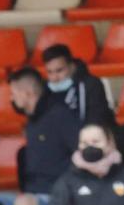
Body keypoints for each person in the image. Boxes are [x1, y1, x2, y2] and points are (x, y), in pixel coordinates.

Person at [9, 66, 76, 197]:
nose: (11, 98)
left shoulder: (61, 116)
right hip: (34, 192)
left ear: (28, 93)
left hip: (57, 195)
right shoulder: (32, 120)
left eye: (14, 93)